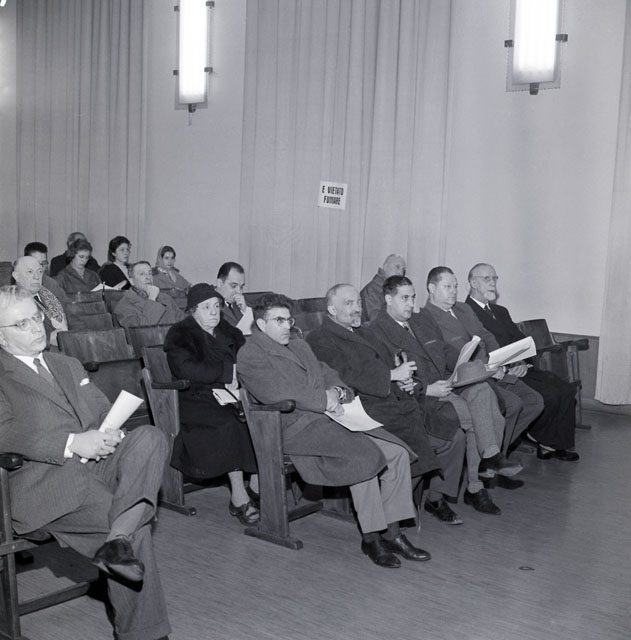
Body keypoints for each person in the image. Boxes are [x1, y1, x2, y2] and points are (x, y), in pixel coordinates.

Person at [0, 285, 171, 640]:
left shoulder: (66, 363)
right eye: (21, 324)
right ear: (1, 338)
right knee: (134, 524)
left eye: (36, 317)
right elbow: (4, 432)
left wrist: (112, 432)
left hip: (98, 463)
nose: (36, 327)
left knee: (151, 436)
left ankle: (116, 541)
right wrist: (71, 443)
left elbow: (100, 410)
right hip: (47, 482)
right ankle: (145, 632)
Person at [237, 293, 431, 568]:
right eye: (278, 320)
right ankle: (371, 537)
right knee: (364, 456)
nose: (286, 326)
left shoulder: (299, 345)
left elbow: (327, 372)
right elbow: (277, 392)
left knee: (397, 453)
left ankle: (393, 533)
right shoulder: (250, 354)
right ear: (260, 323)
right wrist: (323, 399)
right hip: (294, 428)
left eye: (288, 320)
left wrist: (338, 392)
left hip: (332, 418)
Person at [367, 275, 523, 517]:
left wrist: (466, 361)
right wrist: (426, 389)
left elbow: (443, 349)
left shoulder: (420, 320)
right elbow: (387, 375)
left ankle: (488, 460)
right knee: (476, 418)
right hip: (420, 396)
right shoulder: (376, 331)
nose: (411, 304)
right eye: (404, 298)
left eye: (413, 298)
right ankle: (476, 480)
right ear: (388, 299)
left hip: (445, 383)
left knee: (482, 390)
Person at [306, 284, 461, 519]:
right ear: (332, 310)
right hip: (359, 406)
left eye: (358, 302)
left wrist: (405, 381)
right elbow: (343, 376)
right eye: (349, 303)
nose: (357, 308)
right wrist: (391, 376)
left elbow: (391, 364)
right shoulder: (320, 338)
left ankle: (410, 499)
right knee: (415, 436)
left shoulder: (365, 332)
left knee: (448, 429)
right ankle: (395, 512)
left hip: (391, 398)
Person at [164, 283, 259, 525]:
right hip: (195, 397)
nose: (214, 312)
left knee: (260, 416)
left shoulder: (226, 329)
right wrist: (228, 372)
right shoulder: (180, 333)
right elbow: (185, 369)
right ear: (193, 310)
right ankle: (239, 496)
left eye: (216, 306)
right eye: (206, 307)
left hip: (231, 392)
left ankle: (257, 485)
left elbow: (246, 354)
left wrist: (242, 372)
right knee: (230, 422)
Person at [466, 263, 579, 461]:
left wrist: (522, 362)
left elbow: (519, 339)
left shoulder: (500, 311)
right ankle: (539, 437)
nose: (493, 283)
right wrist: (508, 366)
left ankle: (556, 443)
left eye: (494, 278)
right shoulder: (466, 312)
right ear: (473, 283)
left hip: (519, 366)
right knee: (550, 395)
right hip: (498, 371)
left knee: (565, 389)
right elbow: (477, 351)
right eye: (487, 279)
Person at [424, 267, 544, 454]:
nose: (454, 291)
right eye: (447, 286)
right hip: (469, 378)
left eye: (455, 286)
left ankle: (497, 451)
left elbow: (486, 335)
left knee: (534, 401)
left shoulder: (463, 309)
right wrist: (488, 368)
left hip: (493, 368)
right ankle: (490, 458)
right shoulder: (426, 318)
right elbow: (451, 358)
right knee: (513, 405)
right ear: (432, 288)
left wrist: (498, 360)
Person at [12, 256, 72, 346]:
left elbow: (71, 316)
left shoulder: (48, 293)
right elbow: (14, 337)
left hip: (68, 343)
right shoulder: (11, 302)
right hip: (43, 350)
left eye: (40, 271)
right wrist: (48, 339)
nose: (37, 277)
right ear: (17, 276)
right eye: (30, 272)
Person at [113, 262, 185, 328]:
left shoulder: (166, 298)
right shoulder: (124, 306)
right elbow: (141, 333)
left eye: (150, 273)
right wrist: (152, 299)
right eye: (142, 274)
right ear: (131, 281)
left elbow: (183, 321)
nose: (148, 277)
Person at [360, 254, 407, 322]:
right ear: (385, 267)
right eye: (397, 267)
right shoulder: (372, 291)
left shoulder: (393, 290)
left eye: (403, 270)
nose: (400, 273)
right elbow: (377, 322)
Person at [153, 246, 191, 310]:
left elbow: (188, 287)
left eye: (172, 258)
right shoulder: (154, 275)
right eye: (166, 258)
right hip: (165, 311)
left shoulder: (176, 274)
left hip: (182, 310)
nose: (170, 261)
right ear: (160, 259)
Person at [215, 262, 250, 329]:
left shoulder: (242, 304)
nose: (239, 291)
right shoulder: (207, 304)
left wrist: (245, 311)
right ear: (219, 283)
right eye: (233, 286)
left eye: (241, 287)